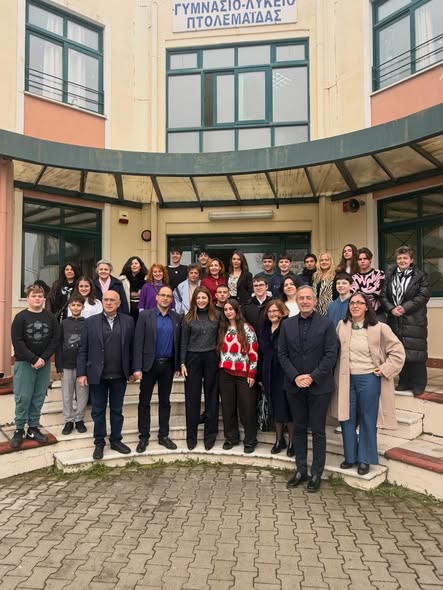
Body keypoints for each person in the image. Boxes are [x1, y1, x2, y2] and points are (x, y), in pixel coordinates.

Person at [331, 292, 405, 475]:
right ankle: (350, 457)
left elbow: (398, 351)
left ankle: (365, 459)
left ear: (366, 307)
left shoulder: (379, 328)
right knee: (346, 417)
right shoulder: (342, 325)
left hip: (369, 378)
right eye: (352, 303)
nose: (355, 306)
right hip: (346, 378)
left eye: (359, 303)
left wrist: (385, 369)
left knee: (367, 418)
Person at [278, 285, 338, 492]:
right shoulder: (287, 324)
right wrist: (295, 376)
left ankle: (316, 473)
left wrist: (313, 377)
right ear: (297, 301)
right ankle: (301, 470)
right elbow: (282, 354)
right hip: (294, 386)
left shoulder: (327, 324)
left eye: (308, 298)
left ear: (315, 301)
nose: (304, 301)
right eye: (301, 298)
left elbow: (331, 354)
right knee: (299, 428)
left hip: (319, 386)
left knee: (318, 430)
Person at [77, 290, 135, 460]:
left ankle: (116, 440)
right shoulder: (90, 322)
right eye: (106, 300)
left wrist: (132, 370)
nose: (108, 303)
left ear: (118, 303)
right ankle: (99, 443)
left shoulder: (128, 321)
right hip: (98, 375)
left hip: (119, 375)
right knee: (98, 411)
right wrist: (81, 373)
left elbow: (132, 348)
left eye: (112, 300)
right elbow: (83, 349)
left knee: (117, 410)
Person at [9, 284, 60, 449]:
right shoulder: (20, 317)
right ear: (28, 298)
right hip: (25, 363)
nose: (37, 299)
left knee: (38, 396)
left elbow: (55, 339)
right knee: (23, 397)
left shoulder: (50, 317)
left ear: (44, 298)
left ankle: (33, 428)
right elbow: (17, 341)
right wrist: (33, 359)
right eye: (34, 296)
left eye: (40, 296)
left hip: (43, 364)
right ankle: (19, 429)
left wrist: (43, 358)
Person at [133, 286, 182, 452]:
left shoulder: (176, 318)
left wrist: (178, 364)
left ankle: (163, 436)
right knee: (144, 402)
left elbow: (178, 343)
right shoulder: (145, 316)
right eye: (163, 295)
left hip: (168, 366)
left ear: (172, 299)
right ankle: (143, 437)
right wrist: (137, 367)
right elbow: (138, 342)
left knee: (165, 402)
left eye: (169, 296)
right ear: (156, 297)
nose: (165, 298)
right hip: (149, 365)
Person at [380, 245, 430, 396]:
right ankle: (404, 381)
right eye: (399, 258)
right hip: (394, 319)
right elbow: (383, 295)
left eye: (405, 258)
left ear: (411, 260)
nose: (402, 261)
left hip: (414, 319)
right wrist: (391, 309)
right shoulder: (390, 275)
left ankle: (419, 384)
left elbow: (423, 295)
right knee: (399, 350)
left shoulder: (420, 276)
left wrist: (404, 308)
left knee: (416, 352)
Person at [180, 286, 220, 450]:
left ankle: (210, 436)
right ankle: (191, 437)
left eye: (204, 297)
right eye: (198, 298)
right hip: (192, 359)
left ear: (209, 299)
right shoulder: (188, 318)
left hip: (211, 358)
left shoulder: (217, 315)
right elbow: (183, 341)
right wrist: (182, 362)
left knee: (212, 398)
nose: (201, 300)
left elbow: (220, 337)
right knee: (192, 399)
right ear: (194, 300)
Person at [218, 299, 258, 453]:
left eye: (231, 309)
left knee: (246, 408)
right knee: (228, 407)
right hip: (225, 373)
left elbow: (253, 352)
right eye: (226, 309)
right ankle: (231, 437)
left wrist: (252, 373)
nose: (228, 312)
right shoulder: (223, 329)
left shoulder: (247, 328)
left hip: (244, 374)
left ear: (237, 310)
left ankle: (250, 440)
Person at [260, 299, 294, 456]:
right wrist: (260, 375)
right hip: (269, 372)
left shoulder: (288, 327)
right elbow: (261, 353)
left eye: (275, 311)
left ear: (282, 312)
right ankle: (279, 440)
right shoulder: (265, 329)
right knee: (274, 406)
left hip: (285, 373)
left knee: (287, 407)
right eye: (270, 311)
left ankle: (292, 442)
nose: (272, 314)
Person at [55, 294, 88, 435]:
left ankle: (79, 419)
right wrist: (58, 365)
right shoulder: (63, 323)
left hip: (82, 366)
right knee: (67, 395)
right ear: (69, 306)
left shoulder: (87, 323)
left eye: (78, 305)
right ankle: (68, 420)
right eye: (73, 305)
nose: (75, 308)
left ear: (83, 307)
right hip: (66, 364)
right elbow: (58, 344)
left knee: (82, 395)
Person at [352, 247, 385, 317]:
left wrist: (361, 292)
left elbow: (377, 293)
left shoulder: (379, 274)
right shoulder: (354, 277)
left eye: (365, 258)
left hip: (377, 313)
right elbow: (354, 296)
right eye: (360, 259)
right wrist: (370, 290)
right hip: (360, 314)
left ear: (370, 260)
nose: (362, 261)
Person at [119, 256, 148, 322]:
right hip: (128, 308)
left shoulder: (147, 279)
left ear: (140, 266)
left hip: (143, 308)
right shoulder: (123, 279)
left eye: (136, 263)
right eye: (132, 264)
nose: (134, 265)